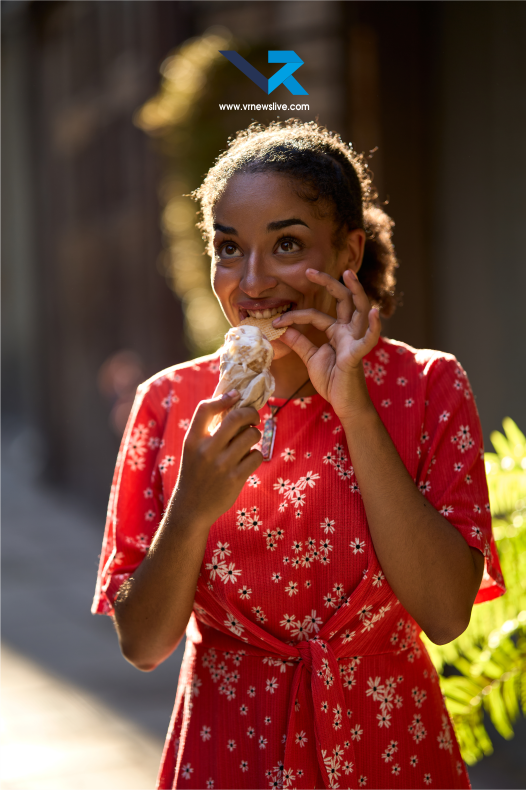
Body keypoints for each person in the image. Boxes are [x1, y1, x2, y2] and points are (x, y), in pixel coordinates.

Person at [92, 120, 505, 789]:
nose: (251, 281)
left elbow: (444, 613)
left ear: (348, 249)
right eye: (229, 248)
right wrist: (192, 506)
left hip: (389, 746)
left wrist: (354, 408)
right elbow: (142, 645)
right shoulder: (169, 404)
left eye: (286, 244)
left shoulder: (426, 388)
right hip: (229, 749)